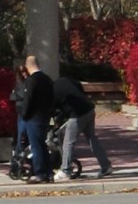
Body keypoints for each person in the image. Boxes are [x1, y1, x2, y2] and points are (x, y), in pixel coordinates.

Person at [52, 74, 112, 180]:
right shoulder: (65, 79)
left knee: (68, 141)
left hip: (77, 114)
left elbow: (55, 110)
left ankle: (65, 170)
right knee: (92, 139)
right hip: (89, 109)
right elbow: (78, 86)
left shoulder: (52, 93)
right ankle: (105, 165)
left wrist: (57, 120)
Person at [20, 54, 54, 182]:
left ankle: (39, 173)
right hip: (45, 116)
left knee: (36, 146)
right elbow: (52, 99)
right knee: (42, 145)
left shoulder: (31, 81)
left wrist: (24, 114)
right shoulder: (47, 79)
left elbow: (28, 100)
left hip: (33, 117)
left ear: (28, 66)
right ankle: (49, 172)